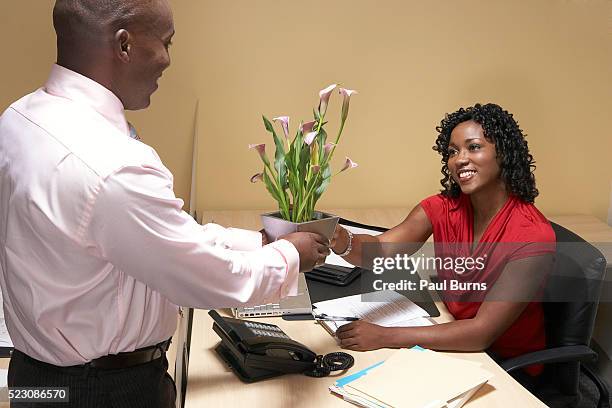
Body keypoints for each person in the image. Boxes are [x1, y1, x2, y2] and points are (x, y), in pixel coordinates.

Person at [0, 1, 329, 406]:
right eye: (165, 43)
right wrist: (288, 255)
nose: (167, 61)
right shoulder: (113, 164)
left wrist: (256, 242)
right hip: (103, 391)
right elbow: (206, 277)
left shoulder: (19, 119)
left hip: (33, 379)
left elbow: (146, 236)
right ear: (124, 45)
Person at [330, 103, 555, 379]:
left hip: (505, 366)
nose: (459, 159)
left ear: (504, 153)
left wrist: (383, 336)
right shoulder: (443, 208)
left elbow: (481, 333)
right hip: (454, 338)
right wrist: (339, 238)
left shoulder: (532, 236)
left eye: (473, 147)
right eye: (452, 151)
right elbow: (379, 252)